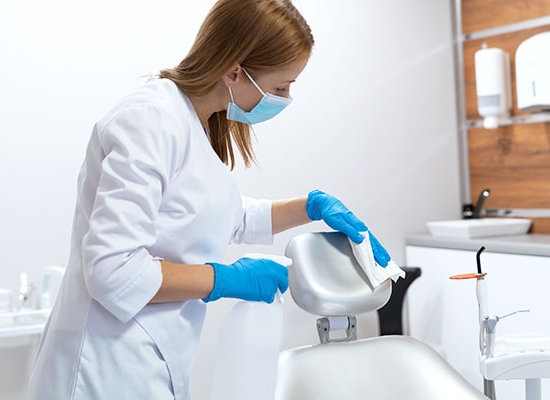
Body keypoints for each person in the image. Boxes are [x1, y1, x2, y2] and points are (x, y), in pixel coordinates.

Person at [27, 0, 390, 398]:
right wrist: (226, 279)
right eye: (280, 87)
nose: (285, 99)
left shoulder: (193, 122)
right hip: (104, 366)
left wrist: (311, 206)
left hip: (149, 357)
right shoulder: (149, 120)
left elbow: (226, 215)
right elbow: (113, 270)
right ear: (235, 71)